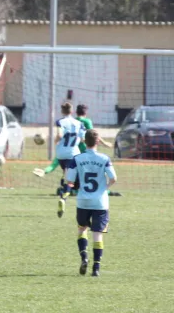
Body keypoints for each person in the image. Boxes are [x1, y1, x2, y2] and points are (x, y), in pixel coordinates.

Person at [65, 129, 117, 277]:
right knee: (97, 235)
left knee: (82, 229)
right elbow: (114, 178)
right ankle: (96, 268)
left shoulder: (77, 159)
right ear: (98, 141)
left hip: (83, 201)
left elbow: (70, 180)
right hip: (100, 202)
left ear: (84, 141)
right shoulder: (104, 158)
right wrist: (104, 188)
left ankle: (84, 257)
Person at [55, 102, 86, 218]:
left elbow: (59, 134)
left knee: (68, 176)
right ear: (72, 111)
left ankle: (65, 194)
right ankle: (64, 197)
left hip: (61, 154)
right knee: (72, 179)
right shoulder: (79, 123)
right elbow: (83, 139)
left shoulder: (60, 122)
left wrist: (55, 141)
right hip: (73, 153)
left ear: (62, 111)